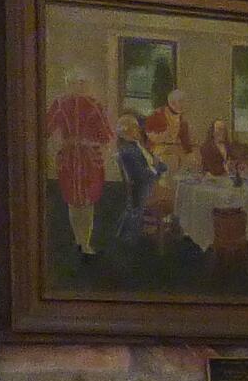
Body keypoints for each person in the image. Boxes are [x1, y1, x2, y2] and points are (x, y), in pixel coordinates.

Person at [44, 69, 111, 257]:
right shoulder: (60, 104)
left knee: (87, 200)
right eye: (75, 83)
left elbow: (105, 135)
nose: (79, 87)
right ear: (69, 84)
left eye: (82, 83)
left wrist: (84, 142)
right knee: (73, 200)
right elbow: (46, 130)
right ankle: (79, 240)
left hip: (88, 159)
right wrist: (67, 142)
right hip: (70, 158)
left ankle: (85, 242)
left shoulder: (94, 105)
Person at [113, 113, 163, 249]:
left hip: (145, 185)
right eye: (135, 128)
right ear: (127, 131)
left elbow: (151, 161)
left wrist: (159, 166)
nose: (139, 130)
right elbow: (141, 175)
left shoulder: (136, 146)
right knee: (174, 196)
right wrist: (158, 170)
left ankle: (125, 233)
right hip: (143, 189)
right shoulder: (129, 151)